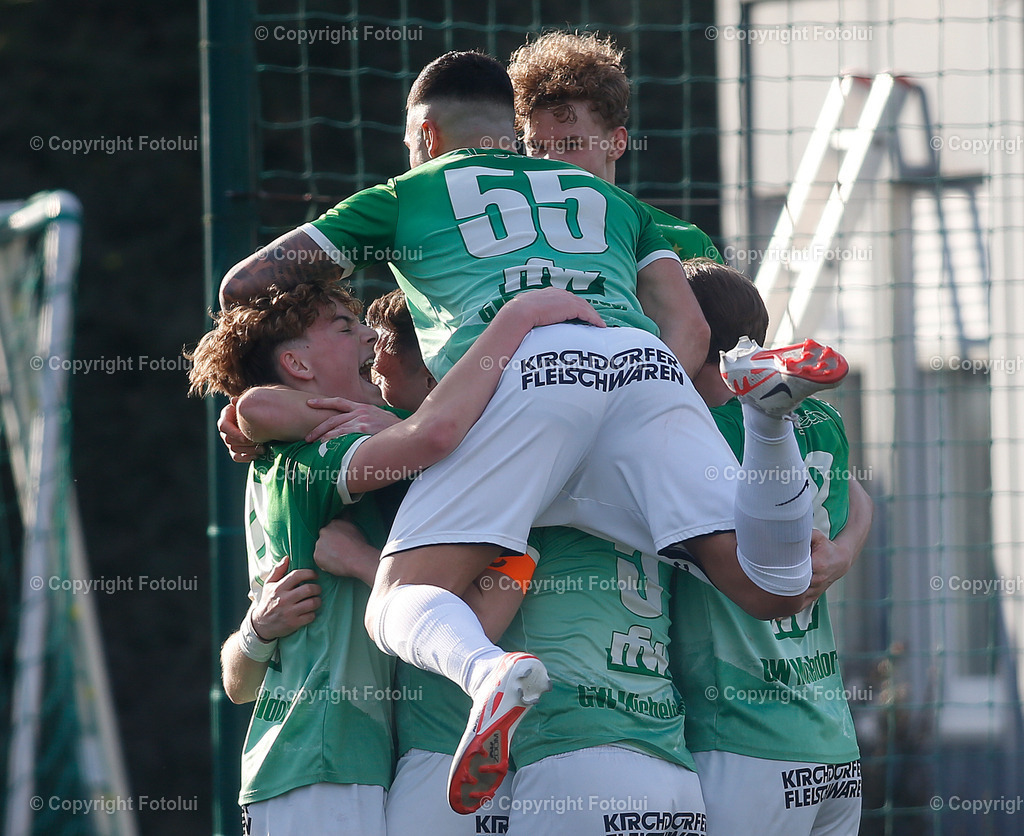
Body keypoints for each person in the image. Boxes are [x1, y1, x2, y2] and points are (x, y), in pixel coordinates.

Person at [217, 50, 843, 812]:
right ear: (510, 135)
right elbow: (685, 318)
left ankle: (487, 676)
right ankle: (769, 418)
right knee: (768, 587)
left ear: (425, 132)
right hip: (639, 361)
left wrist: (262, 384)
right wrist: (639, 402)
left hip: (525, 373)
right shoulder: (612, 199)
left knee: (398, 601)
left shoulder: (404, 193)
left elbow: (244, 284)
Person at [187, 280, 601, 832]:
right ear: (296, 363)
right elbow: (263, 406)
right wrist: (520, 317)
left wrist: (263, 629)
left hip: (359, 763)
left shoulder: (334, 457)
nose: (367, 337)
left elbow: (239, 683)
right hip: (320, 763)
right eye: (342, 327)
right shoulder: (316, 456)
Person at [673, 258, 870, 836]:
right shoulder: (822, 421)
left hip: (738, 740)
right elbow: (860, 498)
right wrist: (845, 553)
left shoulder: (693, 426)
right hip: (832, 744)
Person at [507, 30, 722, 264]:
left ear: (616, 143)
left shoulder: (684, 246)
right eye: (536, 146)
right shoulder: (501, 239)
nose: (549, 160)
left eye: (571, 144)